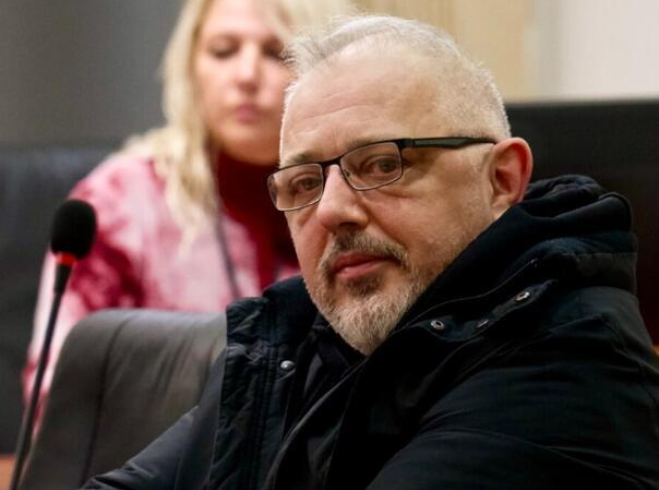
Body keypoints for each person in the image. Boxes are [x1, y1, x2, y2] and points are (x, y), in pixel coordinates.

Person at [82, 14, 659, 490]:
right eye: (305, 182)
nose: (332, 210)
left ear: (502, 179)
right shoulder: (295, 343)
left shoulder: (568, 359)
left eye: (383, 164)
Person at [24, 0, 352, 422]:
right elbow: (58, 403)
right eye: (223, 50)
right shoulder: (119, 202)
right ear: (191, 65)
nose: (246, 75)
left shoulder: (352, 204)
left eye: (276, 53)